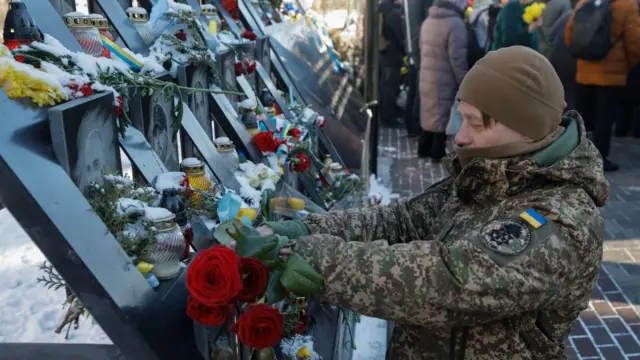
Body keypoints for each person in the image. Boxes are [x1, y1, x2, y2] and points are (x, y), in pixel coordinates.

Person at [252, 47, 609, 358]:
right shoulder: (493, 174)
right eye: (461, 117)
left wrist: (314, 259)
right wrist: (304, 228)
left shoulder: (563, 220)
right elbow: (399, 223)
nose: (461, 135)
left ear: (525, 129)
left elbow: (449, 283)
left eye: (475, 123)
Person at [565, 0, 640, 171]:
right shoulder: (627, 5)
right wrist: (630, 64)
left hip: (584, 71)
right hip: (612, 72)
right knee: (605, 118)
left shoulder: (584, 2)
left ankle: (576, 153)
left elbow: (570, 35)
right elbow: (634, 41)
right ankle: (599, 159)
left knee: (582, 116)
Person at [417, 0, 469, 161]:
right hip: (444, 77)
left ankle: (423, 147)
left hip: (427, 74)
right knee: (441, 114)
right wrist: (464, 80)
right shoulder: (456, 24)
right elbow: (457, 57)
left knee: (428, 110)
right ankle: (436, 151)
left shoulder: (428, 21)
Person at [379, 0, 406, 128]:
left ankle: (390, 111)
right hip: (391, 55)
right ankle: (387, 116)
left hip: (385, 54)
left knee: (387, 85)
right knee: (390, 86)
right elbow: (401, 37)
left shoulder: (382, 9)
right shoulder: (393, 13)